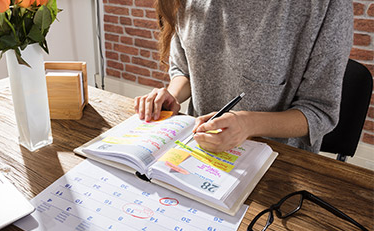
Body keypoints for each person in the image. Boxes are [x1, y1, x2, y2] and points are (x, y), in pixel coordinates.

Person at [134, 0, 353, 153]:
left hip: (276, 162)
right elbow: (185, 70)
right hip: (197, 149)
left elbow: (319, 111)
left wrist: (247, 124)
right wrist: (172, 96)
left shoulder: (326, 5)